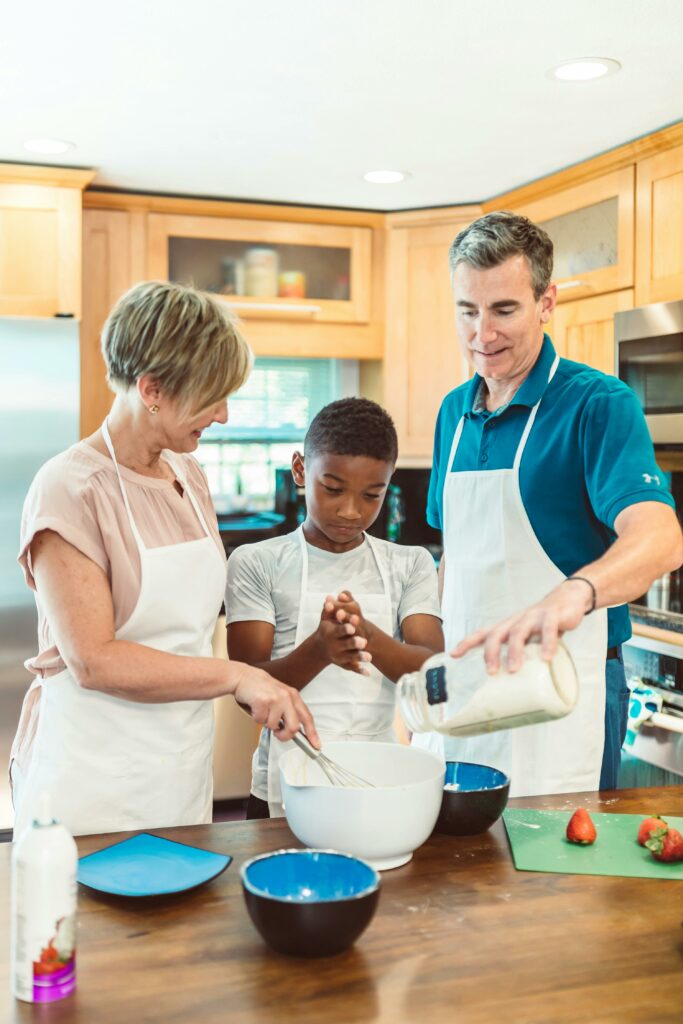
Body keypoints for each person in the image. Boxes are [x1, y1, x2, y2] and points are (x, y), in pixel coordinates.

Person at [10, 281, 317, 839]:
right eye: (212, 397)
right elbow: (94, 660)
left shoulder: (187, 473)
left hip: (178, 765)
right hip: (93, 778)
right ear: (151, 388)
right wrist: (238, 676)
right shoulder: (70, 489)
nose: (223, 415)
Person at [420, 211, 683, 797]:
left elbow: (661, 537)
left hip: (564, 691)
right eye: (467, 310)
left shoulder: (596, 405)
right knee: (456, 875)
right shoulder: (451, 414)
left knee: (558, 877)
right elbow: (454, 561)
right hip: (466, 687)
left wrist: (576, 592)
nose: (481, 335)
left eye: (504, 310)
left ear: (546, 302)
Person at [226, 398, 444, 817]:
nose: (351, 511)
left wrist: (366, 636)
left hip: (380, 778)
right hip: (284, 785)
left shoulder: (409, 563)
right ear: (300, 470)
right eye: (333, 488)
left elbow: (433, 675)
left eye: (371, 495)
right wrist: (320, 650)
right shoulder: (257, 562)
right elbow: (246, 689)